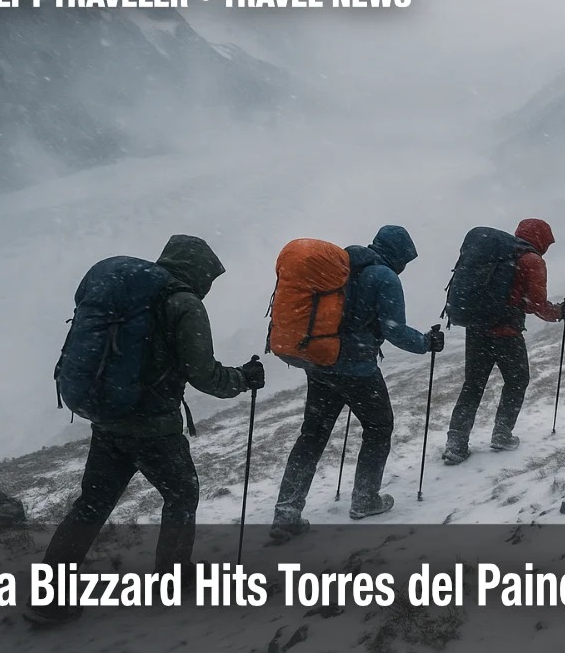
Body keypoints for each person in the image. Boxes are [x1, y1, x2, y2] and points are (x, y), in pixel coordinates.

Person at [26, 235, 265, 626]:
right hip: (154, 428)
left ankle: (49, 599)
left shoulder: (131, 297)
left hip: (108, 421)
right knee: (182, 493)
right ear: (198, 271)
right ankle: (172, 577)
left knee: (91, 504)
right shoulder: (183, 304)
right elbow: (203, 374)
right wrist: (243, 378)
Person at [270, 225, 443, 541]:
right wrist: (426, 343)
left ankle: (286, 512)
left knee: (312, 435)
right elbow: (393, 330)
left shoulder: (342, 265)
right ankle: (365, 499)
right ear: (399, 255)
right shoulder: (385, 278)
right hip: (358, 370)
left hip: (320, 363)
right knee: (379, 429)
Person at [442, 219, 565, 465]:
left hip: (477, 329)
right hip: (506, 333)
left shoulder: (500, 254)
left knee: (472, 385)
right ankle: (502, 433)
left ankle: (456, 442)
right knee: (517, 381)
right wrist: (559, 312)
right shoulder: (532, 261)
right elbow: (536, 305)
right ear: (541, 238)